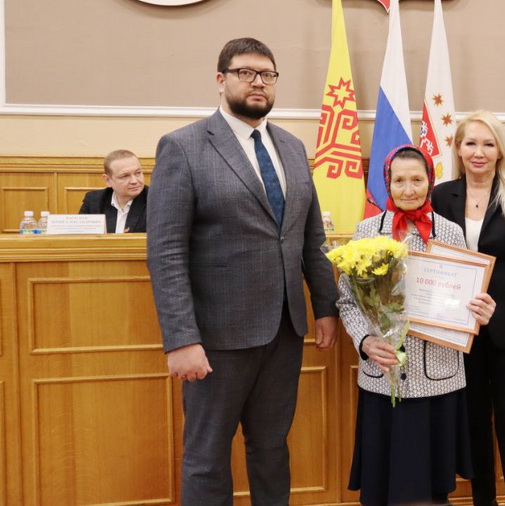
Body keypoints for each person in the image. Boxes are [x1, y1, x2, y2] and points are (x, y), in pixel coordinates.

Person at [146, 38, 339, 505]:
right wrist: (181, 339)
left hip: (284, 331)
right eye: (245, 72)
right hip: (216, 337)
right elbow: (166, 251)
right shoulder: (184, 146)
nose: (258, 82)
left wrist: (325, 308)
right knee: (207, 457)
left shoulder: (292, 147)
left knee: (272, 450)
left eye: (267, 75)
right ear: (221, 79)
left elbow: (310, 237)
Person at [338, 145, 496, 506]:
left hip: (438, 377)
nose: (408, 190)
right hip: (383, 375)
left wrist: (480, 310)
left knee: (432, 487)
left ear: (430, 182)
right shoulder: (366, 231)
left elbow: (465, 297)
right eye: (399, 181)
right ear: (387, 183)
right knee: (384, 484)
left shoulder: (451, 232)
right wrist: (365, 341)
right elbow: (347, 301)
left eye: (417, 180)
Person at [431, 110, 505, 506]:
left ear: (500, 150)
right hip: (459, 331)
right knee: (474, 424)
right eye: (470, 143)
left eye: (488, 143)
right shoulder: (442, 195)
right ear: (458, 148)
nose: (478, 152)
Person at [78, 149, 148, 233]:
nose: (134, 181)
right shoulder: (94, 201)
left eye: (138, 173)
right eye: (125, 176)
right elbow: (80, 237)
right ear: (108, 180)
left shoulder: (156, 200)